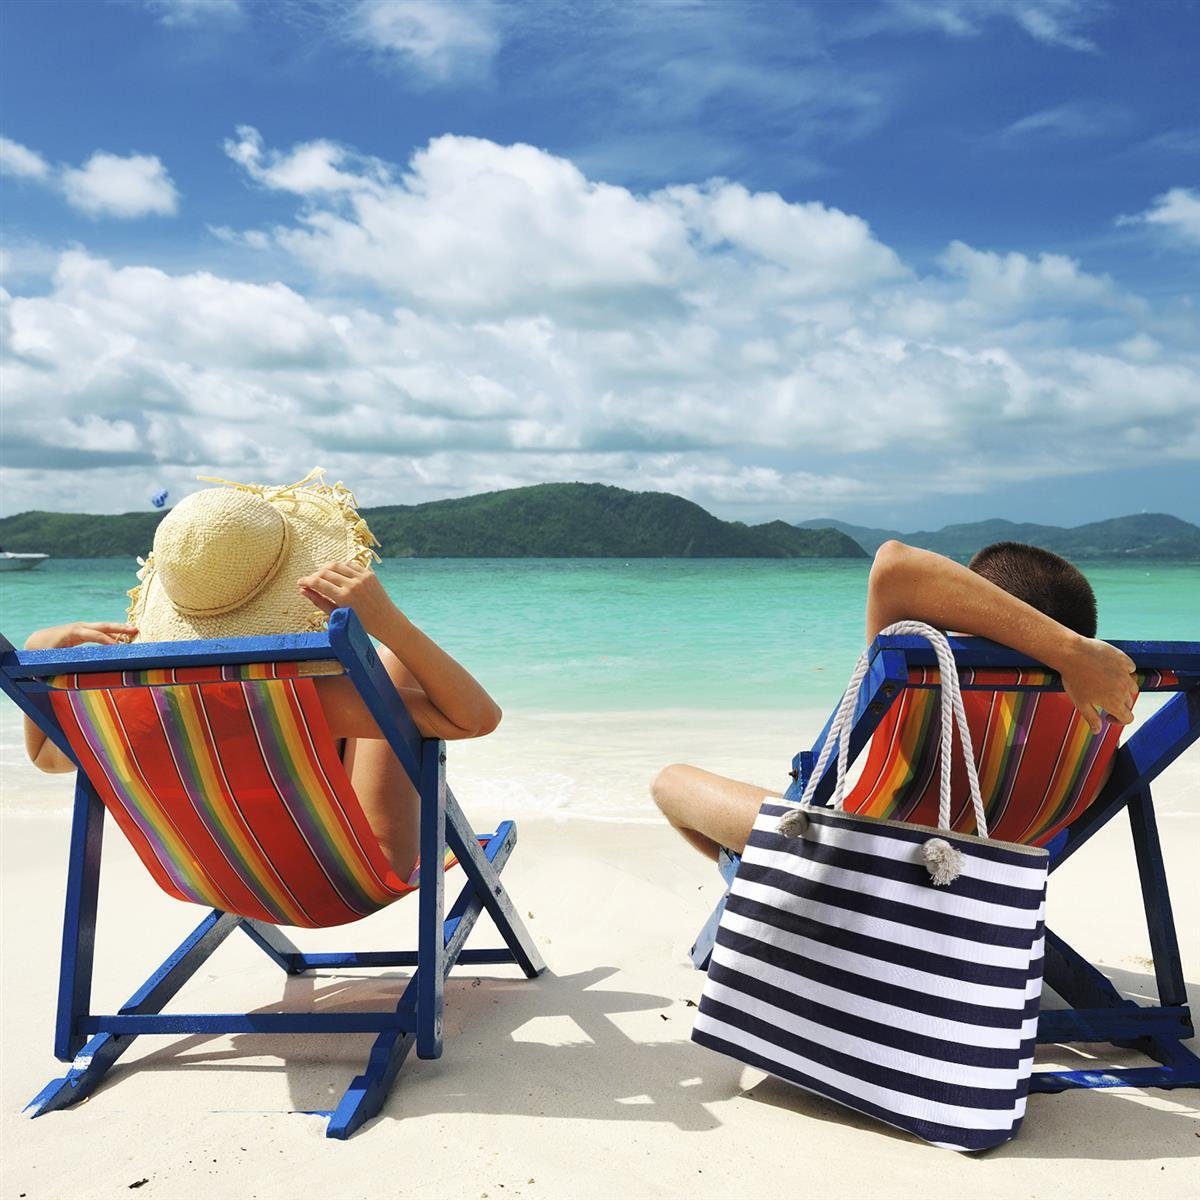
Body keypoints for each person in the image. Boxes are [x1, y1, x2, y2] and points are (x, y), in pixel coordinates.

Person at [21, 469, 500, 879]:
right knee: (390, 665)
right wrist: (390, 625)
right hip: (350, 878)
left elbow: (45, 754)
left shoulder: (124, 711)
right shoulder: (305, 697)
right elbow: (474, 718)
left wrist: (37, 648)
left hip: (214, 876)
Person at [651, 539, 1140, 862]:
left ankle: (780, 901)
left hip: (852, 868)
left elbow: (895, 567)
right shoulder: (1110, 704)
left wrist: (1069, 652)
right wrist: (1076, 656)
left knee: (668, 782)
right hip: (983, 883)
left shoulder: (933, 682)